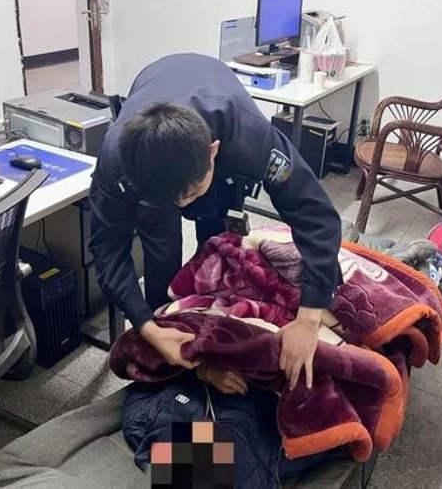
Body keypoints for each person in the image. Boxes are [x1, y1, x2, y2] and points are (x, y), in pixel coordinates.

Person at [89, 53, 341, 390]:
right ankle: (177, 342)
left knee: (218, 243)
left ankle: (213, 330)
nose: (183, 205)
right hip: (157, 147)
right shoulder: (117, 159)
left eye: (191, 193)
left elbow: (314, 212)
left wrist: (309, 317)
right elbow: (107, 248)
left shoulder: (250, 138)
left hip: (216, 113)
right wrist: (147, 326)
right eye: (175, 200)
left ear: (213, 151)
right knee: (161, 250)